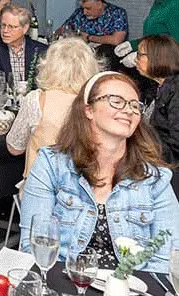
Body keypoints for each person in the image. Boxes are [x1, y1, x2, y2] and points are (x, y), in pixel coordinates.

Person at [20, 72, 179, 271]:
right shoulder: (52, 165)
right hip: (62, 286)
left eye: (134, 105)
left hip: (131, 294)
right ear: (88, 110)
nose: (128, 110)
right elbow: (32, 246)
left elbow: (167, 260)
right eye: (116, 101)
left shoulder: (155, 179)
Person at [6, 37, 101, 177]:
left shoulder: (37, 100)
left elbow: (14, 148)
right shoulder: (97, 104)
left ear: (49, 67)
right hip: (82, 190)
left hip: (39, 188)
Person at [116, 0, 179, 68]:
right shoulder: (159, 1)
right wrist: (133, 45)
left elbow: (175, 47)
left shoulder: (176, 5)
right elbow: (157, 36)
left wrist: (141, 56)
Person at [0, 4, 49, 96]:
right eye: (3, 25)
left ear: (25, 28)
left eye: (11, 27)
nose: (5, 31)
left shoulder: (41, 51)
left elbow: (48, 88)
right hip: (0, 106)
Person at [137, 35, 179, 176]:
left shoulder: (176, 91)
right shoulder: (155, 86)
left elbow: (176, 143)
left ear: (157, 58)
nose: (136, 59)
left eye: (140, 54)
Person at [56, 0, 128, 47]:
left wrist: (89, 37)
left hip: (105, 50)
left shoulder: (117, 13)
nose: (84, 12)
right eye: (83, 8)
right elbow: (62, 29)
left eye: (88, 8)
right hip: (79, 47)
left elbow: (116, 40)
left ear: (99, 4)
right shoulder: (79, 12)